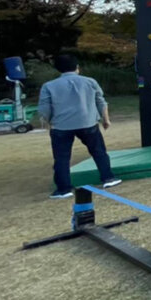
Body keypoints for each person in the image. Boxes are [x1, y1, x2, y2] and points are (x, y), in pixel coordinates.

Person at [38, 54, 122, 199]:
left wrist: (46, 122)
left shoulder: (49, 86)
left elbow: (44, 109)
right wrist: (106, 119)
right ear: (77, 67)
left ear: (58, 69)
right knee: (98, 151)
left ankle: (64, 189)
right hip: (88, 122)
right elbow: (101, 102)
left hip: (61, 126)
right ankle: (108, 178)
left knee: (62, 158)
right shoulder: (90, 81)